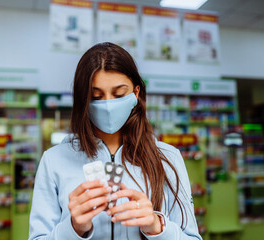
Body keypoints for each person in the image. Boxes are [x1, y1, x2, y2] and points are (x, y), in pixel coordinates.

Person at [28, 42, 202, 240]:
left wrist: (157, 227)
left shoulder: (167, 157)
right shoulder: (54, 160)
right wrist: (74, 229)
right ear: (82, 99)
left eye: (119, 94)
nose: (108, 105)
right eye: (96, 96)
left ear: (136, 93)